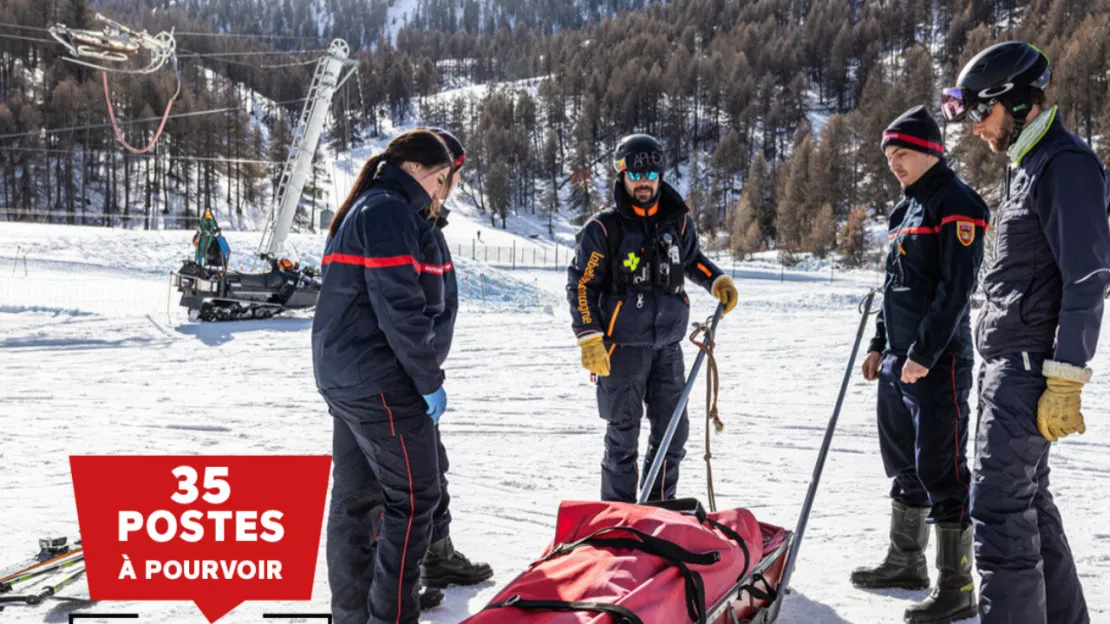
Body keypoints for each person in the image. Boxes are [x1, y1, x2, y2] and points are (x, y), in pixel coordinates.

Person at [941, 41, 1110, 624]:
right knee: (1027, 507)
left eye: (981, 114)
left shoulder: (1065, 165)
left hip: (1027, 370)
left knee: (1000, 514)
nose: (976, 130)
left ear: (1014, 101)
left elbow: (1087, 280)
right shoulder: (1030, 168)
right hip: (1006, 368)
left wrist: (1066, 378)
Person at [851, 105, 988, 623]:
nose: (893, 164)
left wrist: (924, 355)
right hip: (897, 364)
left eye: (902, 153)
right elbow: (894, 290)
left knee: (942, 468)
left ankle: (958, 585)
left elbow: (956, 291)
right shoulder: (902, 212)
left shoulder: (958, 204)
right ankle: (905, 561)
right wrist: (879, 345)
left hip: (938, 363)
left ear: (931, 151)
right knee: (904, 462)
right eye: (888, 155)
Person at [312, 129, 455, 624]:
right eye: (440, 180)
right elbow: (399, 307)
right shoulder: (390, 210)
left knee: (356, 501)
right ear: (416, 168)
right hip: (380, 379)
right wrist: (428, 380)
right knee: (416, 499)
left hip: (346, 375)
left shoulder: (368, 206)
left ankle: (352, 616)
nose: (440, 193)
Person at [566, 133, 739, 503]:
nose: (643, 182)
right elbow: (581, 285)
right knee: (622, 438)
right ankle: (618, 517)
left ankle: (658, 511)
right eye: (635, 175)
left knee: (673, 436)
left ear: (660, 175)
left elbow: (692, 260)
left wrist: (717, 281)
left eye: (651, 175)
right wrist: (589, 336)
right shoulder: (603, 228)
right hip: (621, 349)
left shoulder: (676, 222)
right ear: (622, 175)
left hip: (667, 347)